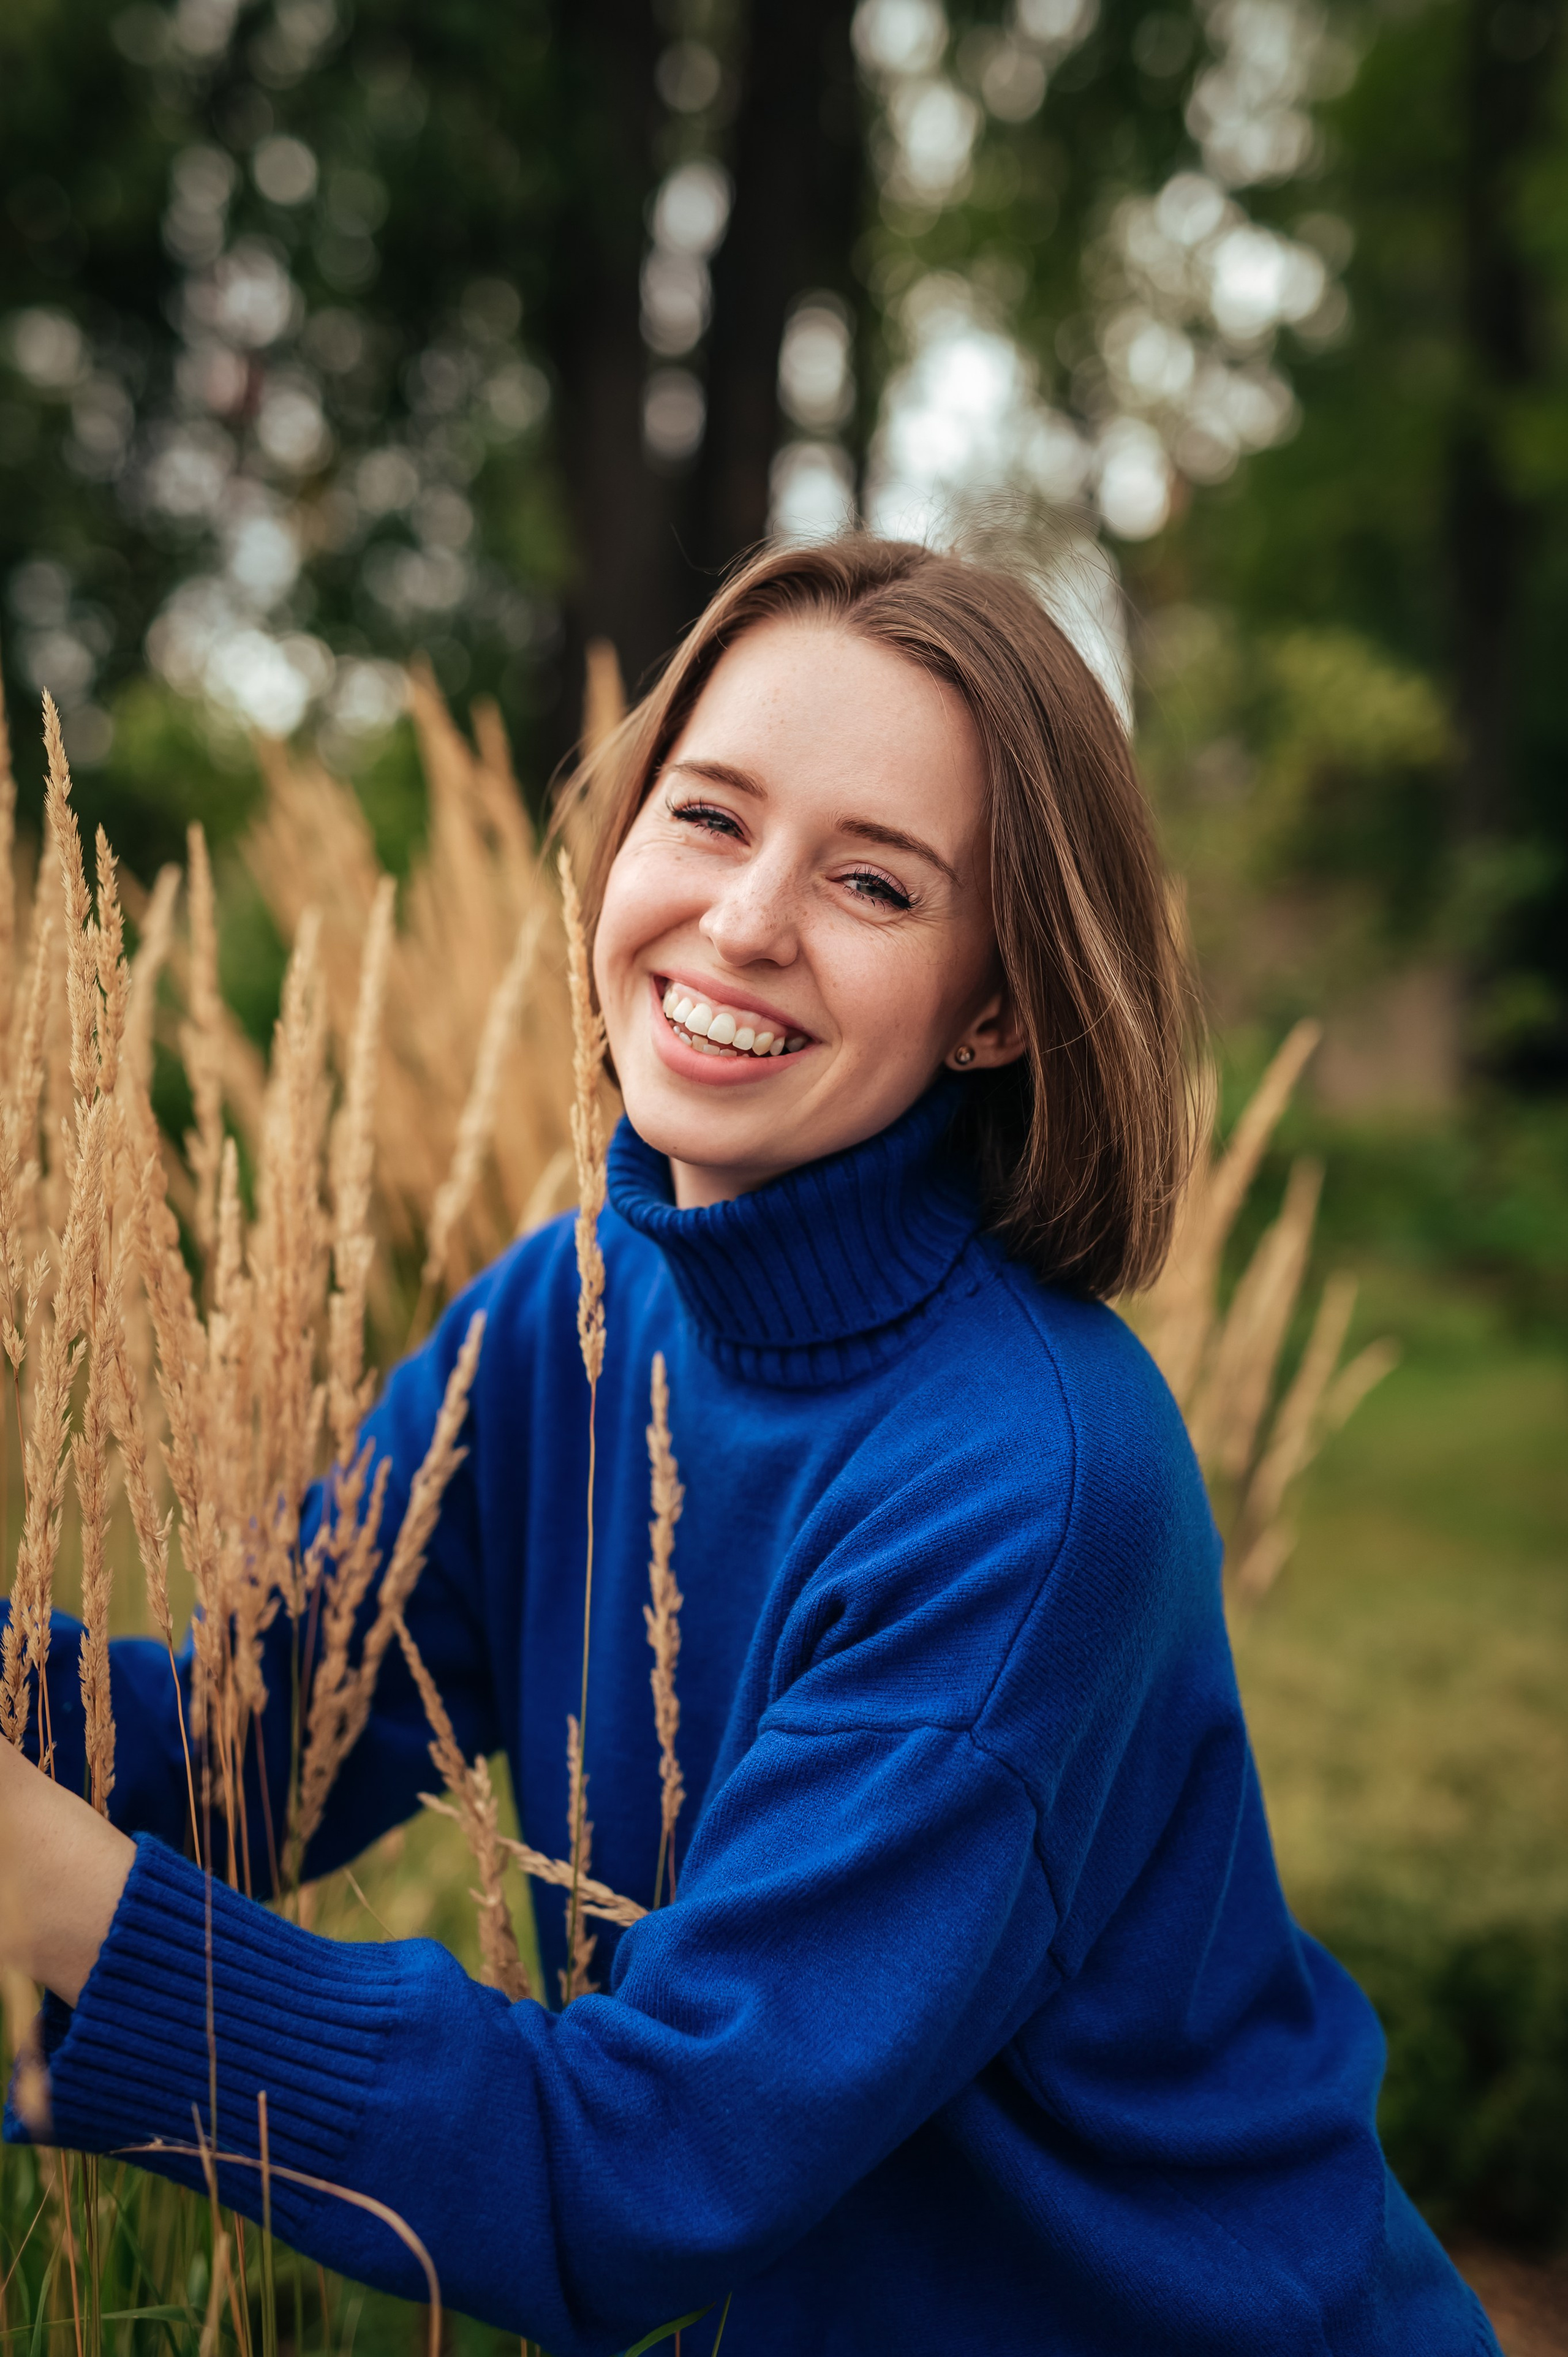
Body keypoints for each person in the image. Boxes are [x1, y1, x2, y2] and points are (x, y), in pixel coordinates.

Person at [1, 538, 1496, 2356]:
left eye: (874, 881)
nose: (744, 921)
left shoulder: (1032, 1492)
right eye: (708, 817)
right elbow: (239, 1746)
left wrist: (61, 1897)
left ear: (999, 1004)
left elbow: (645, 2164)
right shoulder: (566, 1315)